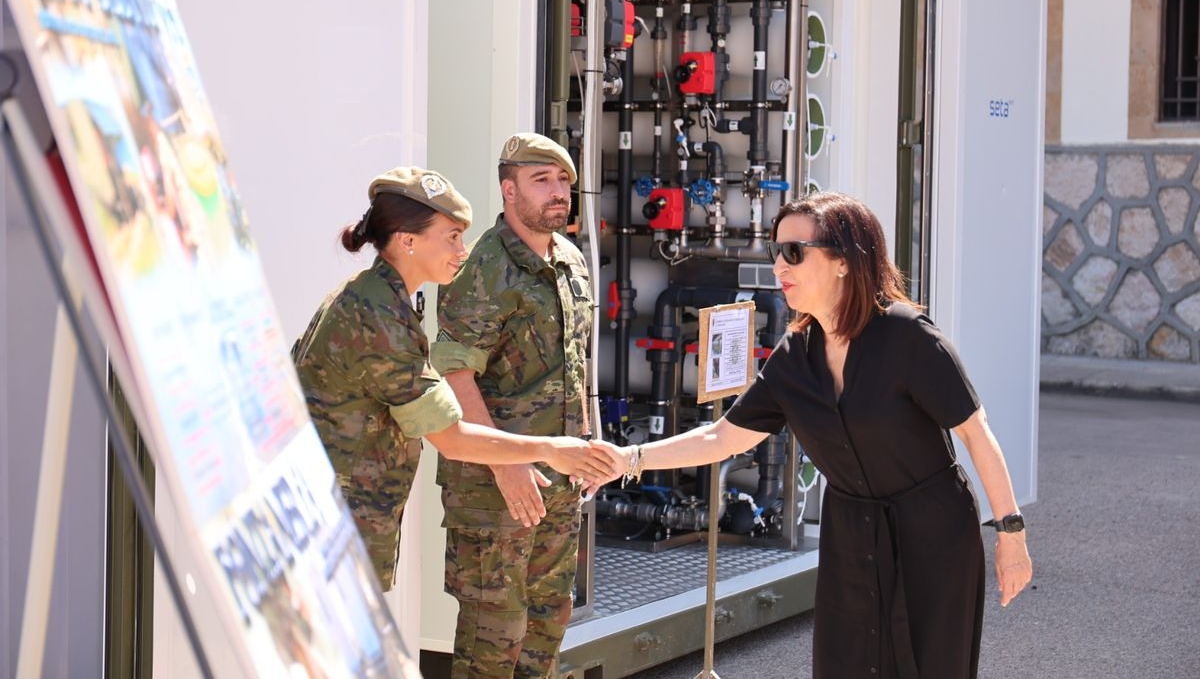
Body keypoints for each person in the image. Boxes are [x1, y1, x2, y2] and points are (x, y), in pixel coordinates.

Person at [608, 191, 1034, 679]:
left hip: (933, 535)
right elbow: (723, 439)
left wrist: (1010, 536)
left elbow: (975, 433)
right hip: (851, 533)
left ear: (844, 262)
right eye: (775, 252)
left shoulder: (910, 338)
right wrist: (630, 458)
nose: (778, 266)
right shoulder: (795, 355)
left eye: (794, 252)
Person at [291, 166, 615, 592]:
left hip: (333, 515)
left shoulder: (372, 297)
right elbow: (452, 437)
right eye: (451, 237)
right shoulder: (378, 316)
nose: (463, 251)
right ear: (408, 241)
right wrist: (549, 449)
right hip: (336, 525)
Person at [432, 133, 593, 679]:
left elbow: (574, 358)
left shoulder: (570, 260)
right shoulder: (483, 268)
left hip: (559, 477)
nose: (557, 193)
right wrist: (505, 464)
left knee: (550, 616)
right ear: (508, 189)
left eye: (563, 181)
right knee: (494, 631)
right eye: (540, 180)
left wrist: (587, 442)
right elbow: (453, 375)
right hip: (493, 486)